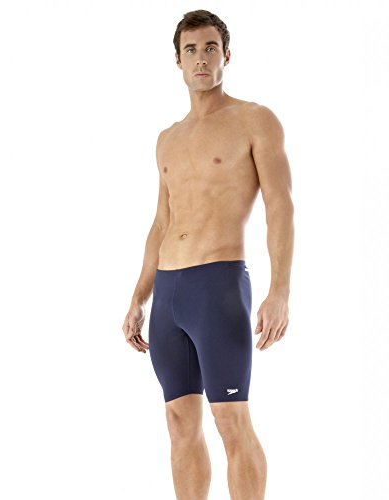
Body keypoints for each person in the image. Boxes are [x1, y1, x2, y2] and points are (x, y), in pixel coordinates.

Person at [122, 9, 294, 500]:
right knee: (179, 422)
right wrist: (138, 297)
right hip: (169, 292)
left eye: (210, 48)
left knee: (230, 420)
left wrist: (279, 291)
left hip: (218, 285)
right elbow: (161, 222)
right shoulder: (167, 139)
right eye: (191, 50)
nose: (201, 58)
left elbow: (280, 207)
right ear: (177, 60)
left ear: (227, 56)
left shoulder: (254, 120)